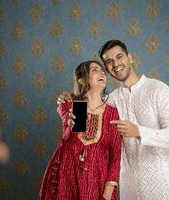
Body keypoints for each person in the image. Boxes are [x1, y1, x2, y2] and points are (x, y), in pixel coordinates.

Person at [58, 40, 169, 200]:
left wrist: (139, 132)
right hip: (130, 189)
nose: (115, 64)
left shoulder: (158, 90)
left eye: (119, 57)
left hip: (162, 185)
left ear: (130, 58)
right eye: (109, 62)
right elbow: (87, 107)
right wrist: (66, 100)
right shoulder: (111, 100)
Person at [39, 60, 122, 200]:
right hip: (66, 180)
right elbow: (67, 141)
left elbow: (115, 156)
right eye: (95, 70)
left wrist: (107, 194)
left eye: (103, 70)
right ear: (82, 79)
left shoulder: (113, 113)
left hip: (98, 184)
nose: (102, 72)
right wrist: (69, 123)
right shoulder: (72, 106)